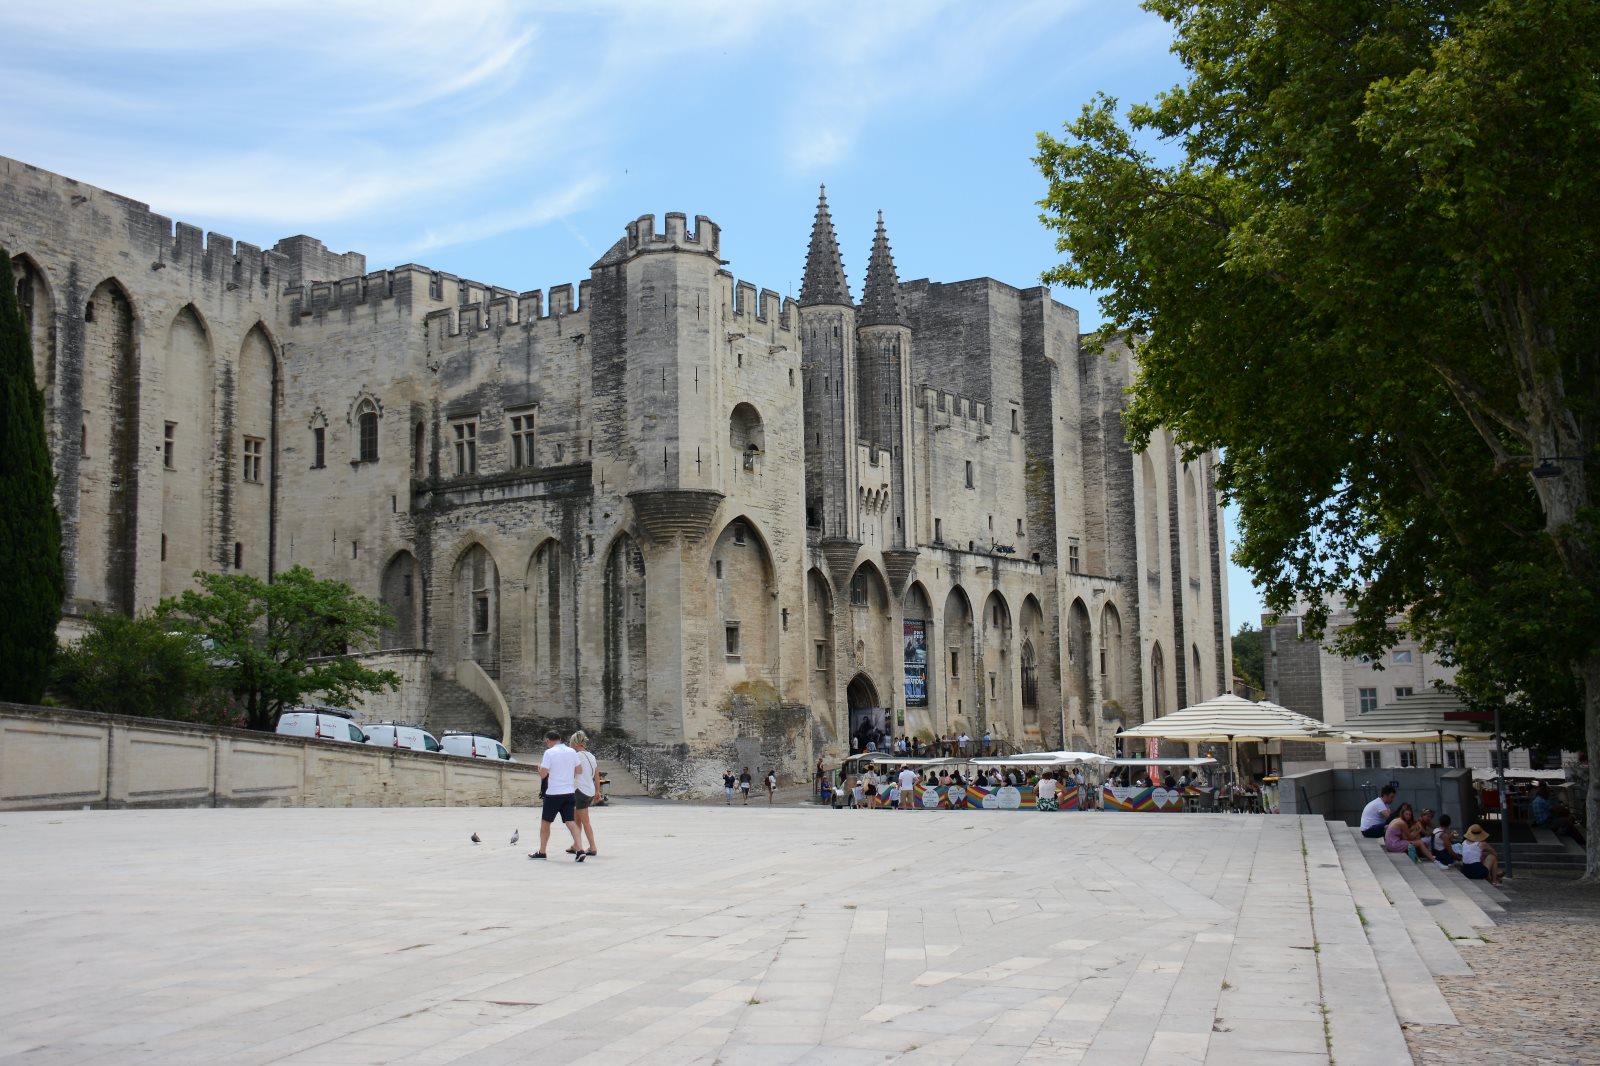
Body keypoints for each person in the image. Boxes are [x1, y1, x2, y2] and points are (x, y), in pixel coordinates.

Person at [530, 730, 584, 862]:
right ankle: (580, 850)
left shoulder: (549, 753)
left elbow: (543, 774)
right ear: (559, 739)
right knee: (570, 822)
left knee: (546, 823)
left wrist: (540, 769)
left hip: (553, 793)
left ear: (548, 740)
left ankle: (542, 852)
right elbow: (579, 770)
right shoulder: (571, 752)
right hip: (569, 792)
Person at [570, 730, 599, 857]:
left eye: (571, 742)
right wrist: (597, 791)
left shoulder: (576, 756)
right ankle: (576, 845)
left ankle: (592, 847)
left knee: (585, 821)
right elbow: (596, 775)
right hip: (589, 791)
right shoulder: (591, 756)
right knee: (577, 819)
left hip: (580, 791)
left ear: (575, 743)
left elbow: (572, 773)